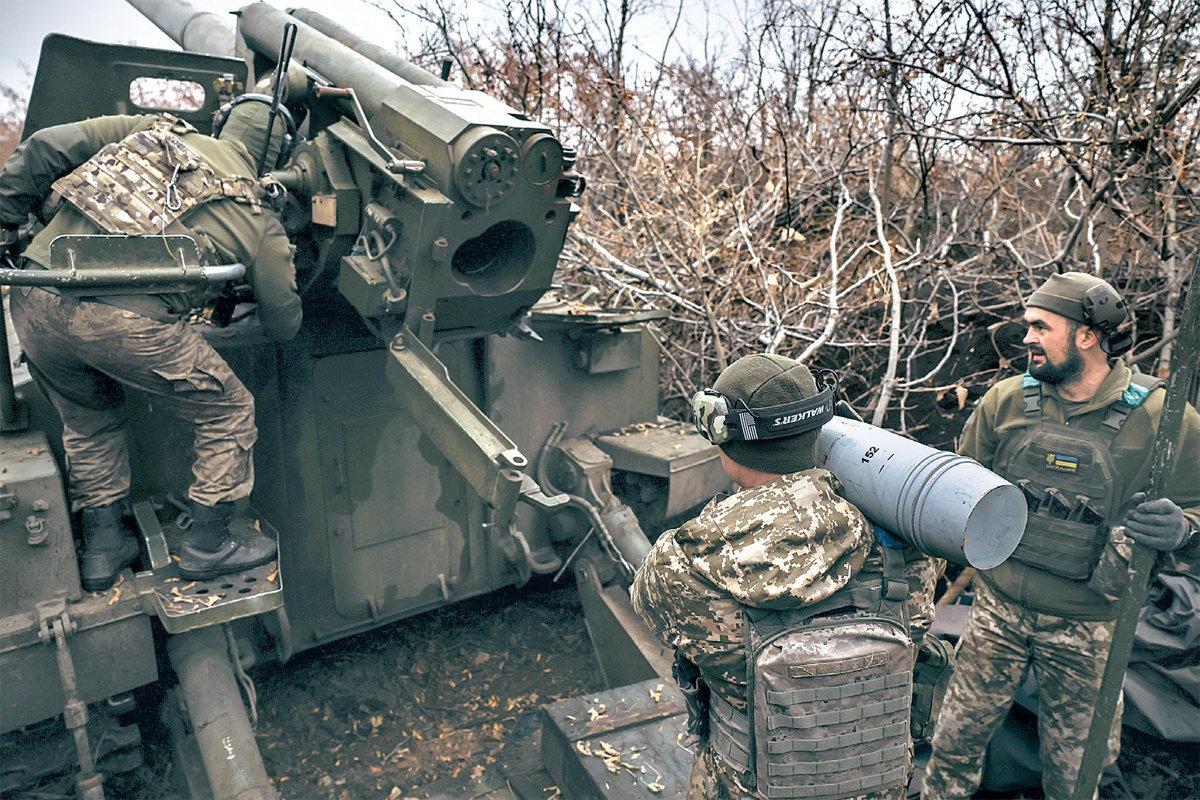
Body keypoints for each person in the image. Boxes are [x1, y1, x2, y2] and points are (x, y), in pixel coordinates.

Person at [0, 97, 302, 590]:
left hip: (35, 296)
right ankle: (209, 543)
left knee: (89, 420)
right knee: (227, 410)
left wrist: (4, 216)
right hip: (123, 325)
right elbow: (285, 321)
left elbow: (44, 146)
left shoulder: (151, 128)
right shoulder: (255, 211)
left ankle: (103, 548)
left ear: (223, 123)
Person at [921, 272, 1200, 800]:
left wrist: (1184, 530)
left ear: (1087, 336)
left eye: (1039, 327)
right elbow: (954, 488)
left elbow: (1195, 513)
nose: (1025, 338)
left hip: (1090, 629)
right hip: (996, 612)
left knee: (1078, 774)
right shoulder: (1005, 402)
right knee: (952, 746)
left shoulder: (1165, 421)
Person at [631, 353, 940, 800]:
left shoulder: (683, 562)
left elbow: (648, 605)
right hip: (875, 784)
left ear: (723, 437)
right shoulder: (908, 546)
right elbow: (922, 619)